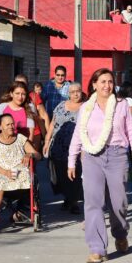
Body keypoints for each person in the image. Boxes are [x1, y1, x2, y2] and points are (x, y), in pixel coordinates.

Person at [68, 69, 132, 263]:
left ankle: (120, 233)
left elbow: (131, 131)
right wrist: (71, 160)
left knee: (118, 203)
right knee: (93, 202)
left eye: (110, 82)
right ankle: (97, 248)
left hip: (117, 156)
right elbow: (78, 134)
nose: (106, 85)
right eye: (102, 81)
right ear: (94, 84)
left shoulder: (122, 105)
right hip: (92, 157)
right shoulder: (86, 108)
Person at [0, 113, 39, 224]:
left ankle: (19, 212)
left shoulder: (20, 138)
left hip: (17, 171)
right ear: (0, 127)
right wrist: (4, 172)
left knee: (27, 177)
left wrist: (30, 155)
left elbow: (38, 155)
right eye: (7, 124)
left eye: (12, 124)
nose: (11, 126)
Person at [43, 82, 84, 214]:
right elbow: (52, 124)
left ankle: (74, 202)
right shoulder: (61, 105)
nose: (75, 94)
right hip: (58, 147)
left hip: (77, 148)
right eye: (72, 92)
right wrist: (47, 141)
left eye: (78, 91)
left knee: (75, 175)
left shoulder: (86, 107)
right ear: (68, 94)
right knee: (61, 175)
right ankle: (68, 198)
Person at [0, 82, 36, 147]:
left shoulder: (29, 107)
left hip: (22, 146)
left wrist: (29, 149)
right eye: (17, 93)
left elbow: (31, 131)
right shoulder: (2, 107)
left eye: (23, 94)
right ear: (11, 94)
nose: (20, 97)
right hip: (3, 145)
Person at [15, 74, 48, 146]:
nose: (20, 86)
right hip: (16, 134)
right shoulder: (11, 97)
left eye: (23, 84)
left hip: (35, 135)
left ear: (27, 85)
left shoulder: (33, 96)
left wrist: (47, 137)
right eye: (17, 84)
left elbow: (44, 115)